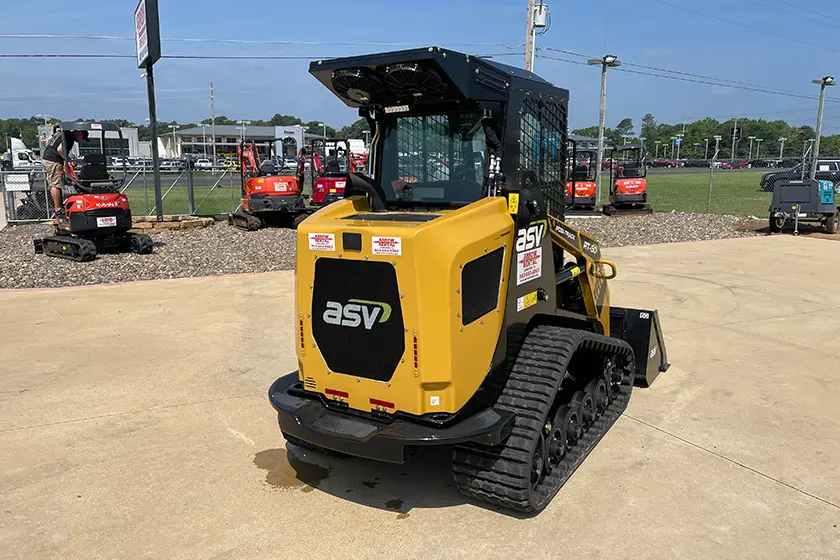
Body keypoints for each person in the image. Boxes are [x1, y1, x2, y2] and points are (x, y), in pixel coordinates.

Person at [41, 127, 88, 217]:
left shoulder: (62, 132)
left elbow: (47, 141)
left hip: (48, 159)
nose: (81, 141)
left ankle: (58, 206)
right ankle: (58, 209)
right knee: (56, 184)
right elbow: (60, 150)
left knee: (55, 183)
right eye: (83, 138)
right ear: (80, 133)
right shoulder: (69, 137)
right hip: (53, 160)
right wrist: (69, 160)